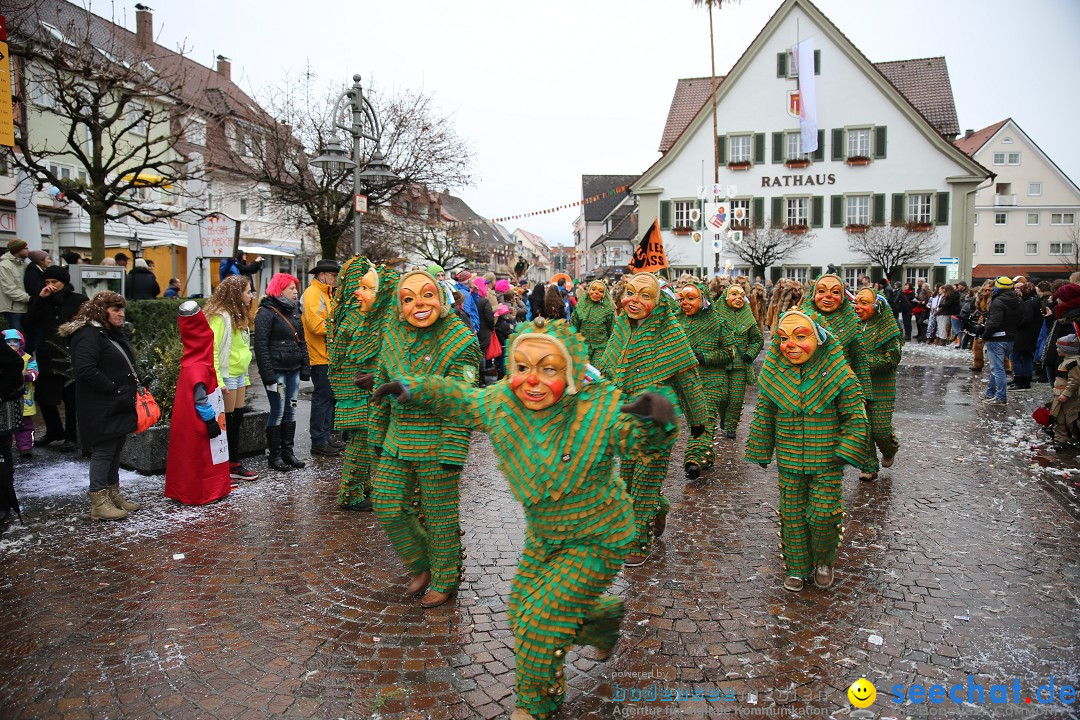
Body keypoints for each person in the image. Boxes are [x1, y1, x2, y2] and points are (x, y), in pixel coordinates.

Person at [371, 318, 678, 720]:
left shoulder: (596, 408)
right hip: (545, 535)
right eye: (521, 367)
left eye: (547, 369)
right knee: (521, 613)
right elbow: (461, 399)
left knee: (540, 622)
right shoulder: (502, 404)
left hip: (599, 536)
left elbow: (635, 438)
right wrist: (413, 388)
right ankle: (600, 620)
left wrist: (657, 419)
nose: (531, 381)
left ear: (569, 372)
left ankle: (536, 704)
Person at [369, 269, 480, 609]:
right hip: (397, 439)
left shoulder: (460, 341)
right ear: (399, 305)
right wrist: (377, 435)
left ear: (441, 298)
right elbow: (380, 389)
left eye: (427, 294)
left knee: (439, 514)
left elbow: (462, 401)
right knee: (387, 504)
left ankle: (445, 576)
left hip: (437, 439)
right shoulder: (392, 335)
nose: (418, 303)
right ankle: (422, 564)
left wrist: (453, 451)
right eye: (408, 298)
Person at [746, 310, 868, 592]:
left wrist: (847, 448)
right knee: (792, 514)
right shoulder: (775, 374)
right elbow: (764, 414)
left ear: (818, 338)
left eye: (800, 337)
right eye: (784, 338)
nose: (791, 344)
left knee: (823, 514)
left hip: (827, 459)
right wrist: (761, 448)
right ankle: (797, 567)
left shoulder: (840, 374)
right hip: (789, 459)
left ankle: (824, 559)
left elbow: (856, 416)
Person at [596, 272, 706, 567]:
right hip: (626, 418)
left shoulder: (670, 332)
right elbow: (608, 369)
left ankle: (639, 541)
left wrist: (698, 420)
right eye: (631, 293)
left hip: (658, 417)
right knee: (628, 479)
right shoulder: (621, 327)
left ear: (658, 302)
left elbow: (689, 379)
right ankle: (659, 508)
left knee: (644, 483)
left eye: (645, 295)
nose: (635, 300)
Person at [60, 291, 140, 520]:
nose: (121, 314)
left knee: (115, 448)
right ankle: (99, 502)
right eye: (116, 310)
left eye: (121, 309)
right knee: (104, 450)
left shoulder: (106, 332)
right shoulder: (88, 334)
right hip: (102, 403)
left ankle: (113, 495)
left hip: (117, 402)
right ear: (101, 311)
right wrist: (113, 388)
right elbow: (85, 370)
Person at [330, 257, 399, 512]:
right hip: (359, 389)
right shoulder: (358, 316)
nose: (361, 292)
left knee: (366, 439)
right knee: (361, 440)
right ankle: (351, 494)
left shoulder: (351, 312)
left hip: (357, 388)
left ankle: (362, 486)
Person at [164, 301, 232, 504]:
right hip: (200, 422)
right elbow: (201, 400)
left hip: (190, 422)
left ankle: (189, 490)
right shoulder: (199, 367)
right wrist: (210, 421)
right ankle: (204, 492)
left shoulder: (190, 362)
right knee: (202, 458)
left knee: (190, 457)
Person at [203, 275, 259, 481]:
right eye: (247, 291)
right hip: (227, 374)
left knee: (237, 417)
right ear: (236, 294)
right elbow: (213, 350)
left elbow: (242, 346)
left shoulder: (239, 315)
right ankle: (228, 463)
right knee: (228, 420)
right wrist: (218, 380)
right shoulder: (221, 317)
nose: (251, 295)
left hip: (239, 373)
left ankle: (233, 462)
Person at [25, 265, 86, 452]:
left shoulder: (78, 300)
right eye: (47, 282)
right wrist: (40, 299)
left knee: (71, 398)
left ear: (64, 282)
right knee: (44, 396)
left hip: (69, 353)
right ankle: (54, 431)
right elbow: (29, 322)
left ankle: (71, 436)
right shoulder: (43, 300)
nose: (50, 285)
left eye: (54, 282)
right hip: (47, 352)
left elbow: (85, 322)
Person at [254, 273, 310, 471]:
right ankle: (275, 455)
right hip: (276, 372)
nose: (296, 292)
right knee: (277, 411)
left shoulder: (295, 310)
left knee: (292, 408)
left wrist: (305, 367)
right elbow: (260, 346)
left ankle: (289, 452)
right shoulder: (266, 312)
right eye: (291, 288)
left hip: (293, 370)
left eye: (295, 288)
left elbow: (301, 340)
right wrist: (268, 375)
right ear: (279, 289)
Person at [675, 280, 730, 476]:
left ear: (703, 300)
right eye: (682, 299)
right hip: (685, 382)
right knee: (694, 422)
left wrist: (705, 357)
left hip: (711, 380)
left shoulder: (717, 323)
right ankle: (707, 454)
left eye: (691, 298)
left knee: (704, 420)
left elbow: (729, 352)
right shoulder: (675, 321)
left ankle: (694, 460)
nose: (685, 303)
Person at [853, 289, 903, 481]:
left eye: (863, 303)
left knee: (880, 429)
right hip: (857, 385)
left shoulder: (890, 328)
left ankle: (889, 449)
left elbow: (892, 360)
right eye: (856, 302)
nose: (858, 307)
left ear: (877, 305)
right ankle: (869, 466)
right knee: (862, 427)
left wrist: (863, 361)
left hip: (881, 385)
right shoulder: (853, 326)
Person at [301, 259, 342, 457]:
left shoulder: (326, 294)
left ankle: (325, 437)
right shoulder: (313, 294)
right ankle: (319, 440)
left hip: (328, 355)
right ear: (322, 275)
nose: (336, 279)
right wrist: (339, 330)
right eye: (333, 276)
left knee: (328, 399)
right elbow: (315, 326)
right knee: (322, 399)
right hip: (320, 356)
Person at [715, 283, 764, 440]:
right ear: (726, 297)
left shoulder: (748, 316)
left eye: (742, 296)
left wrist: (750, 354)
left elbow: (758, 339)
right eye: (735, 294)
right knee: (722, 397)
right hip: (721, 364)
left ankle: (731, 426)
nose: (739, 298)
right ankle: (723, 417)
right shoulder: (716, 315)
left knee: (736, 398)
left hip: (740, 365)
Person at [981, 276, 1021, 405]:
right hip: (1010, 338)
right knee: (997, 368)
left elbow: (994, 323)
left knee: (997, 369)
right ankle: (991, 393)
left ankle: (1001, 397)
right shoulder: (1017, 300)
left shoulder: (998, 301)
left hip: (997, 339)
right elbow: (1021, 319)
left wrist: (984, 336)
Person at [3, 330, 37, 458]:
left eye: (15, 342)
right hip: (8, 398)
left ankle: (25, 446)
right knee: (6, 425)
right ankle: (5, 448)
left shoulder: (27, 357)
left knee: (25, 424)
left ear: (20, 342)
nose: (12, 344)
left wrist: (28, 376)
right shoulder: (3, 357)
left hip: (25, 397)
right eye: (8, 342)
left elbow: (34, 372)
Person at [569, 279, 615, 364]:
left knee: (597, 372)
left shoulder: (607, 310)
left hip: (601, 348)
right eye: (593, 289)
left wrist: (611, 348)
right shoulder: (581, 306)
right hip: (583, 347)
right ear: (588, 290)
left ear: (604, 294)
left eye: (600, 291)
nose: (596, 293)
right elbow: (573, 326)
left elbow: (612, 330)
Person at [1008, 283, 1041, 391]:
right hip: (1032, 334)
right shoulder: (1035, 301)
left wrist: (1015, 323)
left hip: (1024, 334)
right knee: (1026, 357)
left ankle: (1019, 380)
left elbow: (1027, 319)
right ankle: (1026, 381)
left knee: (1015, 356)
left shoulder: (1028, 303)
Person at [1051, 334, 1080, 449]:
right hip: (1058, 395)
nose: (1057, 350)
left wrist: (1066, 394)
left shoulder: (1073, 363)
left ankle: (1076, 436)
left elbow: (1074, 381)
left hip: (1069, 397)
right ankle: (1060, 439)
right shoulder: (1066, 361)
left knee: (1072, 419)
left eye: (1060, 348)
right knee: (1057, 417)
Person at [0, 238, 31, 331]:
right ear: (18, 250)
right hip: (12, 308)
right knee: (14, 338)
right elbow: (9, 288)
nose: (28, 250)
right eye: (25, 248)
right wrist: (29, 298)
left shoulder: (22, 264)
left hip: (23, 306)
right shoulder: (4, 265)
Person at [492, 303, 514, 380]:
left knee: (498, 363)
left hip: (498, 346)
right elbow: (510, 337)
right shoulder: (506, 326)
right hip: (505, 347)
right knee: (503, 364)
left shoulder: (496, 324)